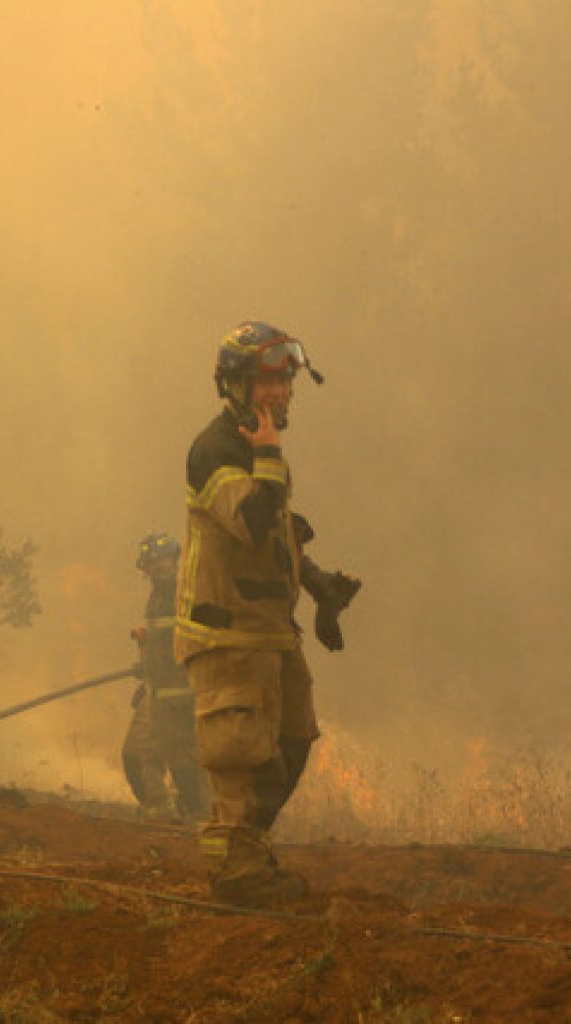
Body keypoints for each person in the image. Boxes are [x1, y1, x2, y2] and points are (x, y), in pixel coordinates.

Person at [174, 320, 360, 907]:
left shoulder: (257, 451)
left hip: (272, 635)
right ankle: (236, 874)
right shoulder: (216, 451)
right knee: (242, 759)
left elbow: (277, 533)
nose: (279, 395)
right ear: (234, 385)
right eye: (268, 383)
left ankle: (247, 852)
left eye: (286, 384)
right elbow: (253, 523)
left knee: (293, 743)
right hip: (226, 636)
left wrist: (319, 584)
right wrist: (270, 456)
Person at [121, 532, 208, 820]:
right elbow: (163, 640)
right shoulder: (157, 597)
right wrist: (146, 663)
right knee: (136, 754)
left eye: (163, 561)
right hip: (156, 692)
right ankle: (162, 812)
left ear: (175, 559)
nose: (157, 567)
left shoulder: (190, 592)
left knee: (188, 766)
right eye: (151, 563)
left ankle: (196, 819)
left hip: (186, 697)